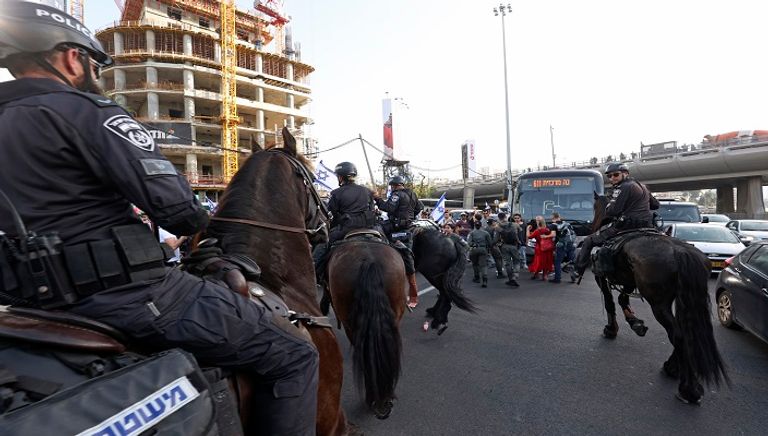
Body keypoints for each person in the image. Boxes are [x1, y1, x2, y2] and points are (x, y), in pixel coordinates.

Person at [0, 4, 318, 434]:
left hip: (28, 306)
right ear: (71, 57)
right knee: (295, 354)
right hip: (132, 298)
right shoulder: (87, 112)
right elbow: (182, 212)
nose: (94, 73)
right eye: (93, 62)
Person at [574, 162, 660, 279]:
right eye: (609, 176)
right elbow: (655, 205)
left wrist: (609, 204)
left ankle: (578, 270)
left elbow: (612, 211)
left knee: (589, 240)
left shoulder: (622, 187)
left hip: (625, 226)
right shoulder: (643, 186)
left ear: (626, 174)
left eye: (615, 175)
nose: (612, 178)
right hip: (648, 226)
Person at [312, 161, 376, 280]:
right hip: (369, 227)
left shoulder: (336, 193)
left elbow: (330, 213)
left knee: (322, 245)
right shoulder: (367, 191)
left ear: (340, 177)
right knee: (387, 242)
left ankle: (313, 273)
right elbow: (372, 210)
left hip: (346, 228)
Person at [375, 175, 424, 308]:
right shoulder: (413, 194)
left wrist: (377, 198)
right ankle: (413, 295)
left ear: (395, 186)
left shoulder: (397, 194)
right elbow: (420, 207)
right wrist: (410, 216)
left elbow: (388, 208)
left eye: (391, 187)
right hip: (408, 227)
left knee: (375, 229)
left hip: (396, 228)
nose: (391, 189)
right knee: (408, 261)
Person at [495, 212, 521, 287]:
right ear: (506, 217)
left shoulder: (498, 226)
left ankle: (510, 279)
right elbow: (520, 233)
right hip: (514, 246)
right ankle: (515, 276)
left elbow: (496, 239)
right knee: (516, 261)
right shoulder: (515, 224)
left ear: (499, 218)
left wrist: (493, 244)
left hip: (504, 246)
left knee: (507, 263)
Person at [548, 212, 576, 283]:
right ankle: (573, 276)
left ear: (553, 218)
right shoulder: (567, 224)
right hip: (571, 244)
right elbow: (573, 233)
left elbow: (553, 235)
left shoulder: (553, 225)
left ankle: (557, 278)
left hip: (561, 245)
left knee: (557, 261)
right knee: (571, 261)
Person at [527, 216, 554, 281]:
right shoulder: (548, 229)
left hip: (539, 248)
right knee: (546, 262)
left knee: (538, 262)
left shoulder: (537, 231)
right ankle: (544, 275)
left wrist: (528, 230)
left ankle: (535, 274)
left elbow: (529, 236)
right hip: (547, 248)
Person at [467, 220, 492, 288]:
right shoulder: (486, 233)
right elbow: (490, 243)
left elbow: (469, 243)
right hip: (483, 249)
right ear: (481, 225)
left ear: (475, 225)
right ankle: (484, 280)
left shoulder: (472, 233)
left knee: (475, 264)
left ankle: (477, 277)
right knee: (483, 265)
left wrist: (473, 244)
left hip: (474, 249)